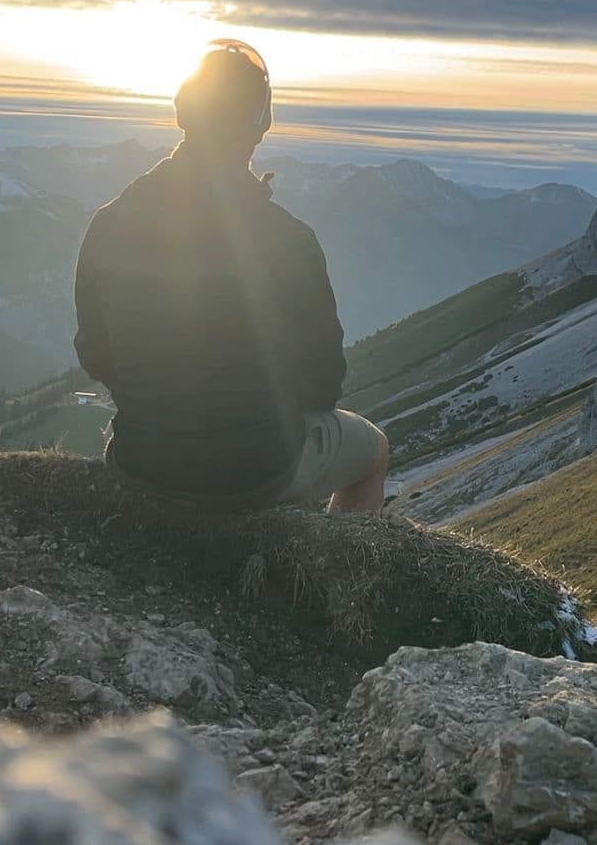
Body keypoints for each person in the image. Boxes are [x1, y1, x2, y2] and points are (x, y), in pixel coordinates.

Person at [73, 39, 389, 514]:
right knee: (374, 451)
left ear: (182, 111)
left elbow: (95, 354)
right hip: (256, 472)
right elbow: (325, 383)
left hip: (141, 462)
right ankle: (332, 574)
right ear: (261, 125)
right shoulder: (291, 239)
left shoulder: (109, 221)